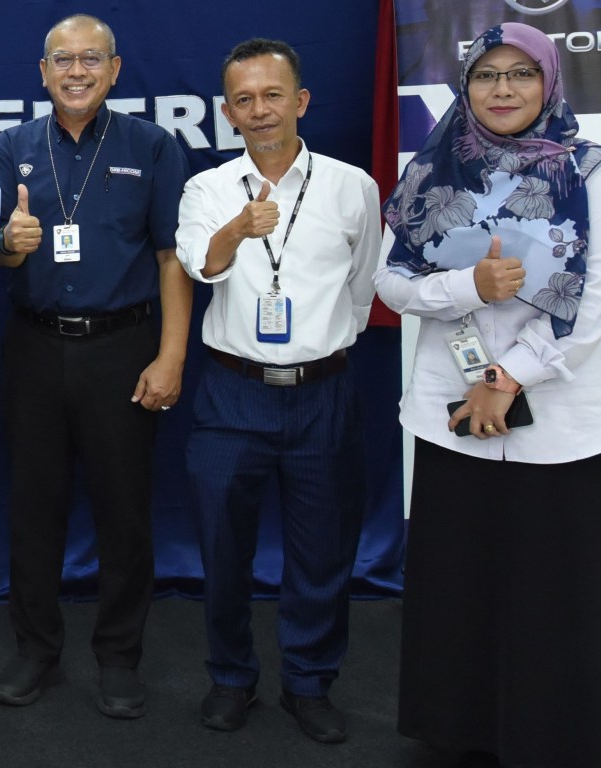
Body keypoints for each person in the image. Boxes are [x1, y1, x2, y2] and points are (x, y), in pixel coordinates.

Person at [380, 22, 601, 767]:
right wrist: (469, 285)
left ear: (549, 82)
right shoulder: (432, 170)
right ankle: (465, 737)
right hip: (452, 417)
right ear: (465, 86)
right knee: (463, 592)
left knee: (558, 596)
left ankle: (565, 744)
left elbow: (596, 299)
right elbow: (391, 281)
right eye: (486, 74)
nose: (502, 89)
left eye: (521, 74)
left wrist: (508, 378)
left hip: (564, 423)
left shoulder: (594, 172)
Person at [0, 13, 189, 718]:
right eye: (63, 60)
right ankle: (36, 650)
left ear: (115, 69)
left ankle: (119, 656)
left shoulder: (152, 145)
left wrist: (170, 354)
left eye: (91, 59)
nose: (77, 72)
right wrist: (10, 245)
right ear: (42, 72)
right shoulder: (12, 148)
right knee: (33, 508)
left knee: (124, 511)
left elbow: (172, 258)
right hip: (34, 348)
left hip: (122, 350)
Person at [174, 38, 379, 743]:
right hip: (233, 395)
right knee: (222, 546)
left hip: (324, 392)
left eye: (272, 95)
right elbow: (200, 267)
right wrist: (238, 229)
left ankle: (309, 682)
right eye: (244, 100)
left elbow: (362, 288)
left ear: (301, 101)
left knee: (323, 550)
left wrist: (319, 347)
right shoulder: (207, 189)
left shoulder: (352, 186)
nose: (259, 110)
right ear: (228, 113)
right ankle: (231, 677)